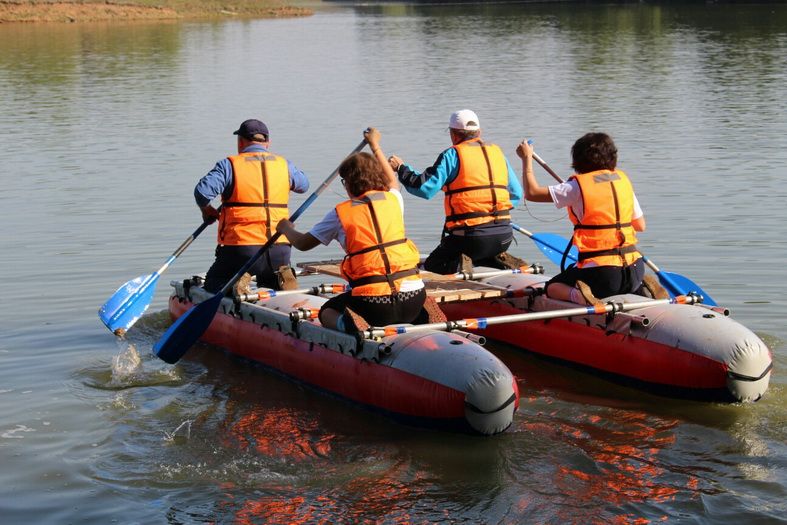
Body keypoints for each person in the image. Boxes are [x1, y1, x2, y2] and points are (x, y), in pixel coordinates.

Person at [276, 128, 426, 332]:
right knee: (401, 299)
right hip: (414, 299)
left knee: (327, 311)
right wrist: (375, 146)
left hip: (374, 305)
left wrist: (284, 227)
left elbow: (302, 244)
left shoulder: (340, 214)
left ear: (349, 183)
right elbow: (392, 180)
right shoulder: (393, 199)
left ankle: (351, 327)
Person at [516, 132, 666, 306]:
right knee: (621, 280)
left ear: (577, 160)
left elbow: (532, 193)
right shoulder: (622, 182)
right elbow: (640, 225)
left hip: (603, 275)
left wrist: (526, 158)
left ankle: (581, 296)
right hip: (635, 268)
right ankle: (641, 288)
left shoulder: (576, 187)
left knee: (552, 286)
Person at [387, 109, 526, 274]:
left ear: (453, 135)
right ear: (479, 132)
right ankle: (492, 260)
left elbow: (424, 188)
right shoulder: (498, 154)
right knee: (480, 249)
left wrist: (401, 168)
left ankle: (462, 264)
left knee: (434, 265)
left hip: (471, 239)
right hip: (504, 236)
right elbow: (516, 193)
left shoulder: (452, 155)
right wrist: (490, 211)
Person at [195, 119, 310, 294]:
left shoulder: (229, 165)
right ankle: (281, 279)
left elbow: (202, 193)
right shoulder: (284, 165)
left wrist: (207, 210)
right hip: (280, 249)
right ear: (267, 142)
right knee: (272, 279)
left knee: (213, 283)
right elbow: (304, 185)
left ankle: (235, 285)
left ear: (240, 141)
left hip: (241, 250)